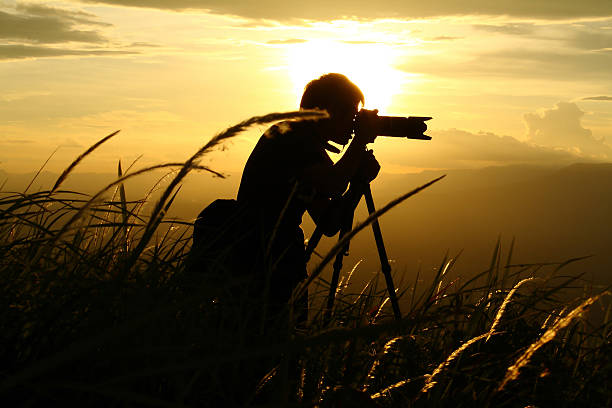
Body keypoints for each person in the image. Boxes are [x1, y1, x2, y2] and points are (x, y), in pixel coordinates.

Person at [234, 73, 381, 325]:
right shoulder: (290, 138)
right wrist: (359, 143)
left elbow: (329, 223)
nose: (353, 126)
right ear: (330, 111)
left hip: (275, 264)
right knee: (267, 348)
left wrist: (357, 185)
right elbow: (333, 184)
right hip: (260, 265)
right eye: (351, 116)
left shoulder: (306, 145)